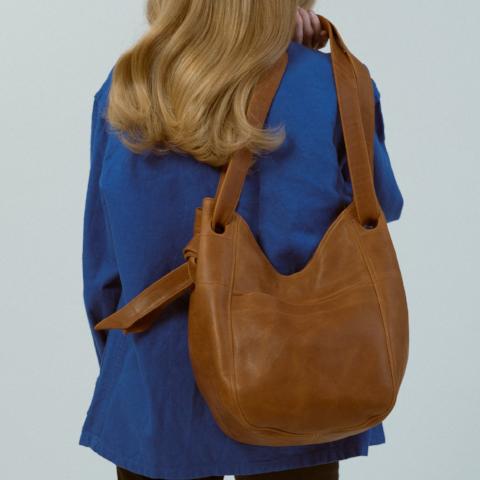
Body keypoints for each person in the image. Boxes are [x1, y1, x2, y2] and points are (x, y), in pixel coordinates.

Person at [79, 1, 404, 479]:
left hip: (157, 395)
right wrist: (296, 63)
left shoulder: (127, 87)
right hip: (296, 387)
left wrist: (128, 369)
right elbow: (379, 208)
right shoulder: (333, 84)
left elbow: (103, 271)